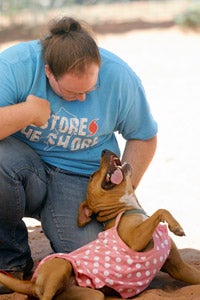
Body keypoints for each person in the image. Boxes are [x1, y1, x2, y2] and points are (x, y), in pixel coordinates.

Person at [0, 16, 157, 293]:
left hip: (81, 178)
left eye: (90, 89)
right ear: (49, 72)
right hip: (23, 168)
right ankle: (11, 259)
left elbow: (143, 136)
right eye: (72, 92)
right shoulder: (16, 65)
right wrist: (27, 112)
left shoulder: (119, 76)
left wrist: (121, 194)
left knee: (101, 267)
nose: (83, 98)